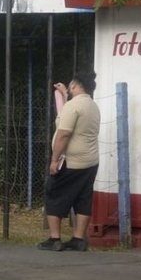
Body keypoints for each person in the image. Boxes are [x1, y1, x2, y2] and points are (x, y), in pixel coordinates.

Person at [39, 71, 100, 252]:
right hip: (90, 160)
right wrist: (65, 96)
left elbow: (64, 133)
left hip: (71, 161)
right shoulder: (92, 106)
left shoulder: (73, 106)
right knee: (83, 198)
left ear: (74, 85)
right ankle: (78, 238)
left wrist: (54, 159)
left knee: (54, 193)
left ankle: (55, 238)